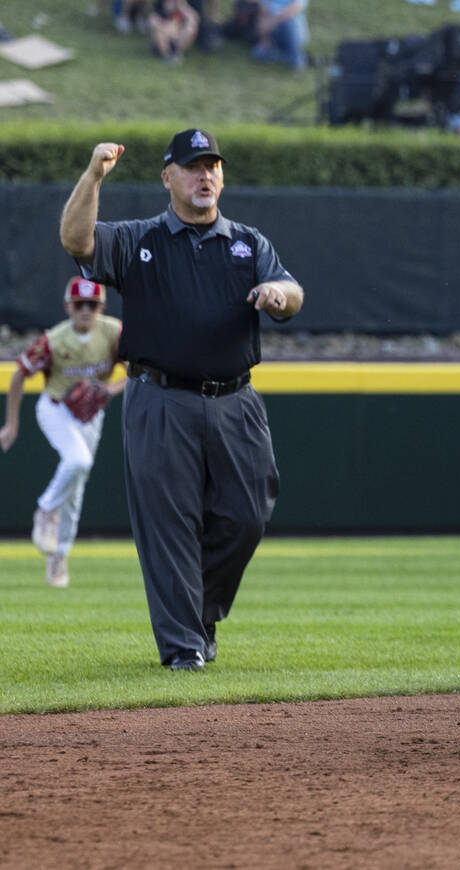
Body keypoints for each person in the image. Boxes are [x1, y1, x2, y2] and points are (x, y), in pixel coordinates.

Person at [59, 128, 304, 671]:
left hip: (235, 400)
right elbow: (77, 242)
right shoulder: (139, 239)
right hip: (160, 398)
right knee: (169, 525)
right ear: (168, 177)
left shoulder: (248, 243)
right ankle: (183, 649)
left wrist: (279, 295)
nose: (205, 175)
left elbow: (291, 294)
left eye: (213, 165)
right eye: (194, 166)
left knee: (246, 515)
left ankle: (200, 613)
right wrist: (93, 176)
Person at [0, 278, 125, 588]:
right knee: (78, 461)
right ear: (68, 307)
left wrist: (110, 388)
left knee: (77, 489)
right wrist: (12, 424)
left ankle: (59, 557)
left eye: (92, 304)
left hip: (90, 416)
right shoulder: (54, 340)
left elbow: (139, 369)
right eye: (79, 304)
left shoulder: (114, 332)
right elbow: (19, 375)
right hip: (55, 408)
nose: (85, 311)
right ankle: (45, 509)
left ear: (102, 307)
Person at [250, 0, 309, 71]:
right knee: (257, 53)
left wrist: (272, 22)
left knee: (287, 22)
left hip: (293, 34)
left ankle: (295, 58)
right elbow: (263, 14)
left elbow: (293, 9)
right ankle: (293, 56)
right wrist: (265, 39)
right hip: (275, 32)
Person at [148, 0, 200, 64]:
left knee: (190, 28)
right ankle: (166, 56)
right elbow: (153, 22)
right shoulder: (158, 12)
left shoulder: (181, 11)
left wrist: (184, 8)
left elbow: (194, 19)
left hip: (178, 39)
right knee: (159, 31)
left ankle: (178, 54)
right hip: (164, 40)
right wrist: (168, 28)